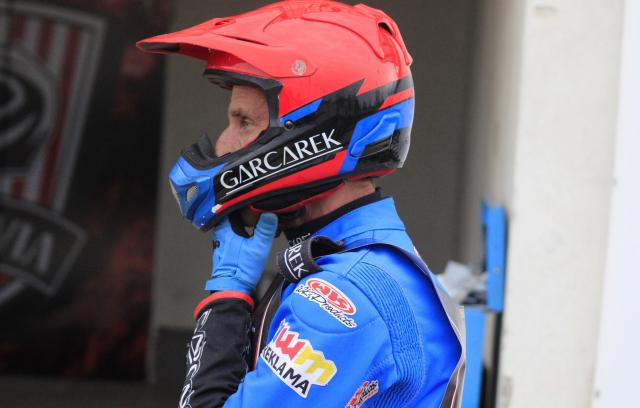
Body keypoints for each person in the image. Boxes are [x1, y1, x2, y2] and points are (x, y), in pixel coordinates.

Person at [137, 1, 465, 407]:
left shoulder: (343, 302)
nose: (223, 144)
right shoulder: (367, 264)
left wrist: (227, 297)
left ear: (314, 134)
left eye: (244, 122)